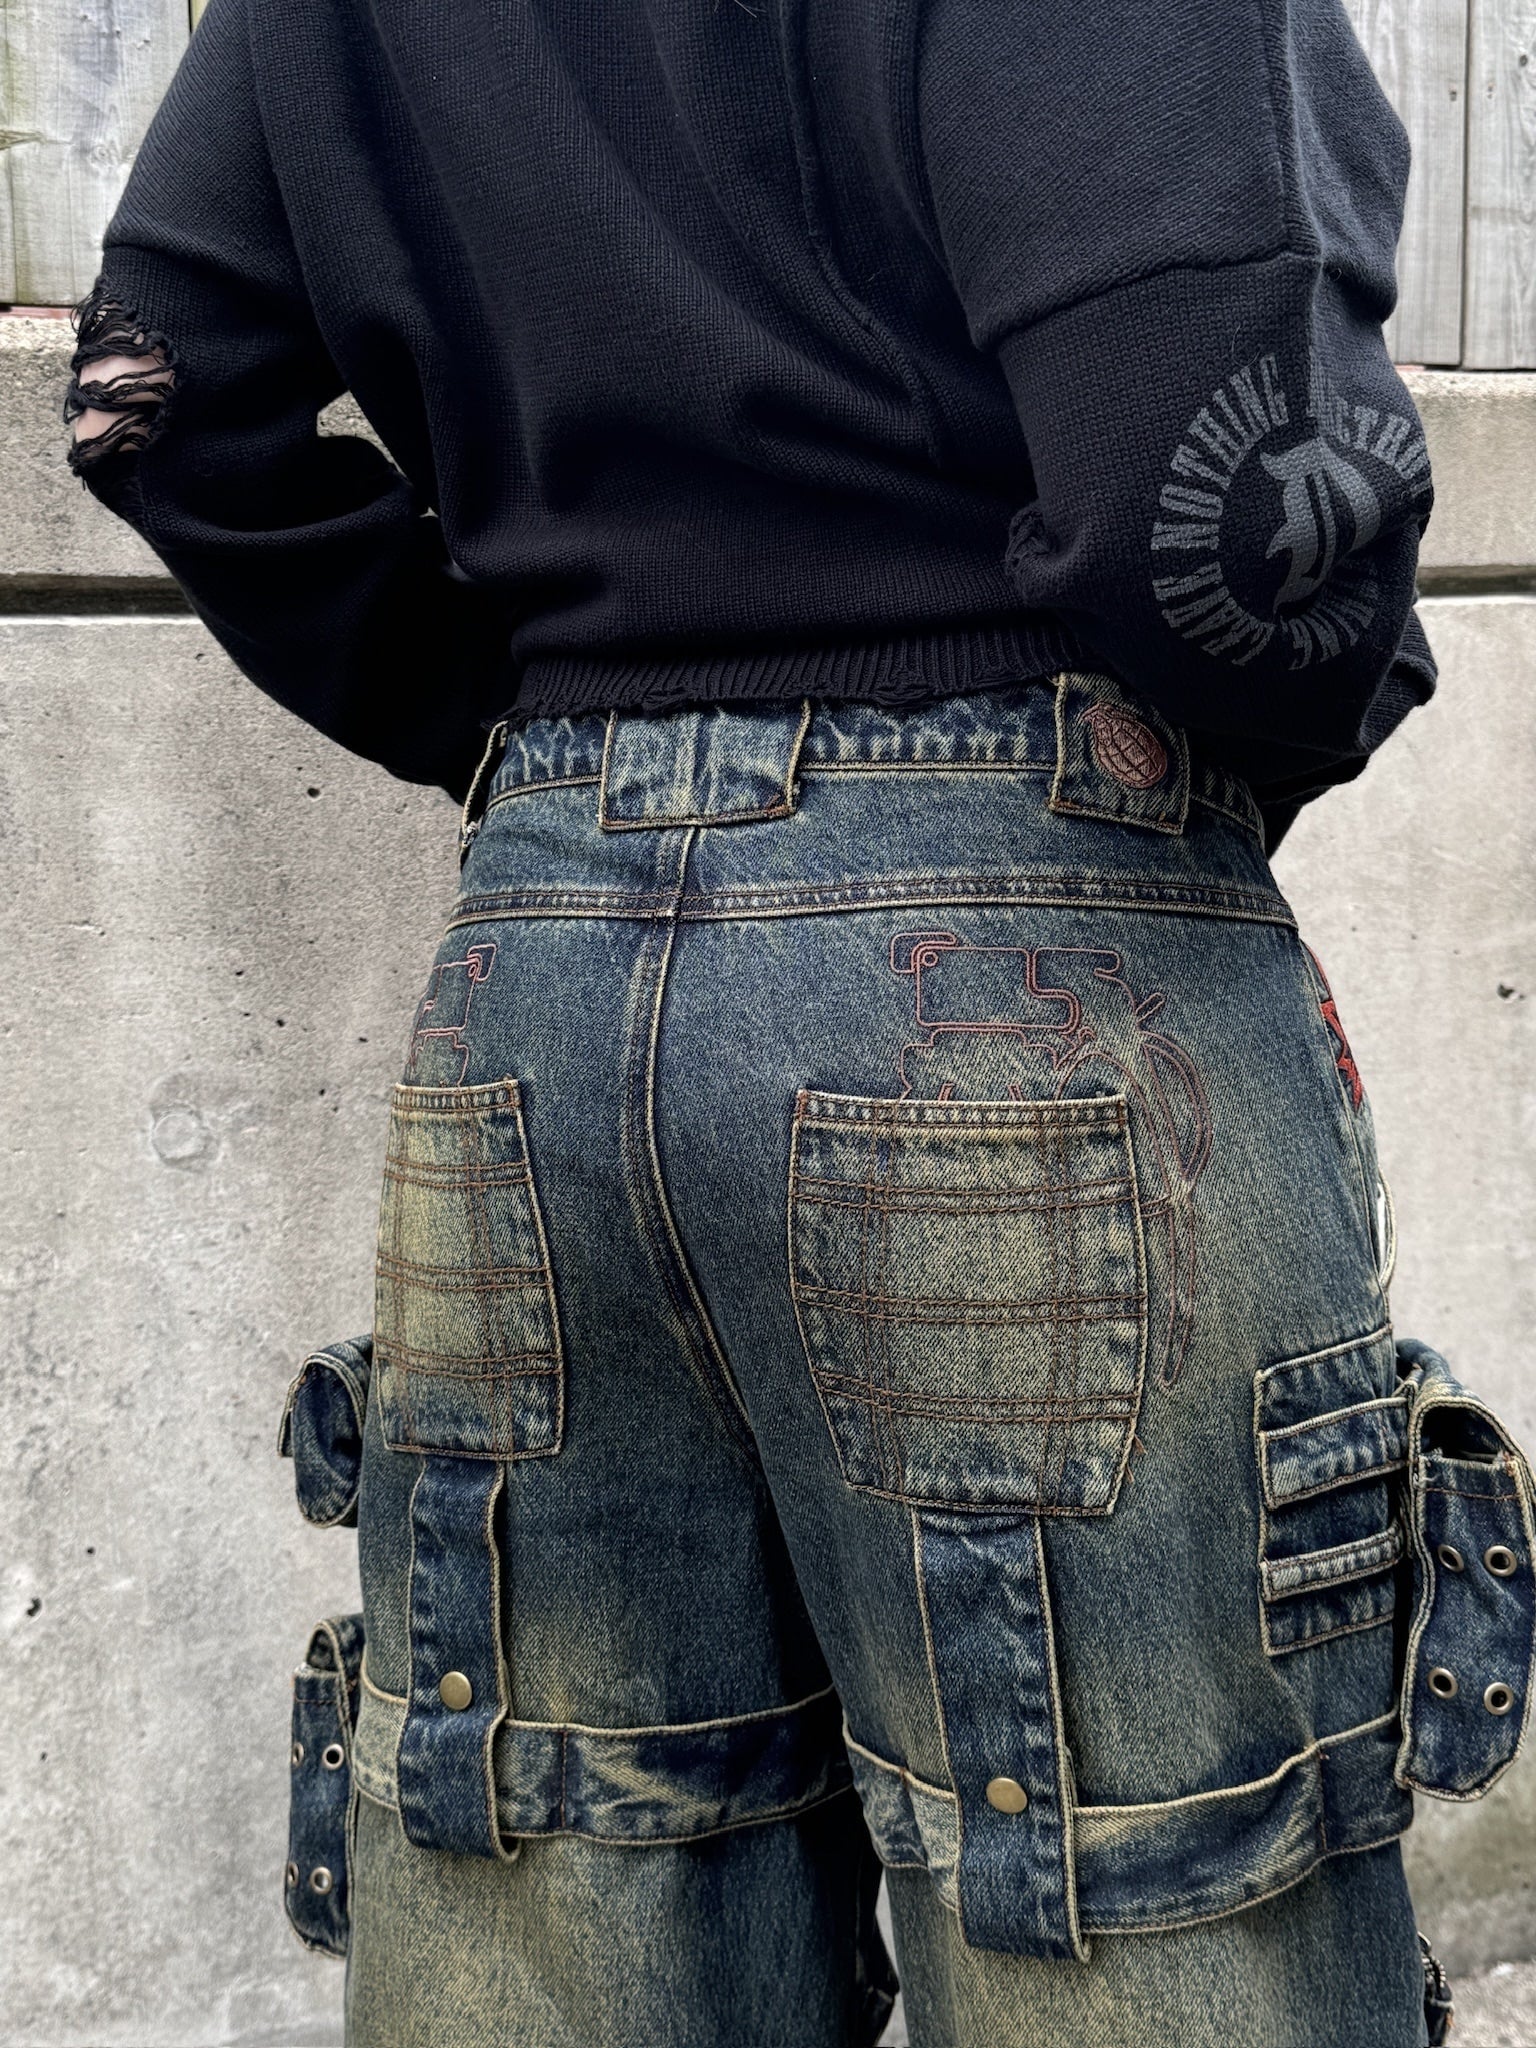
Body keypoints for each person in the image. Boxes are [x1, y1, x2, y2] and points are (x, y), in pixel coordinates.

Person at [64, 2, 1533, 2044]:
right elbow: (1213, 507)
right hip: (1026, 956)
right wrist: (1234, 738)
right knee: (1139, 1927)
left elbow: (150, 396)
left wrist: (524, 737)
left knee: (567, 1911)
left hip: (540, 988)